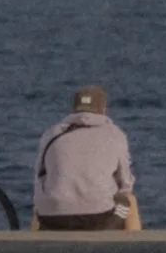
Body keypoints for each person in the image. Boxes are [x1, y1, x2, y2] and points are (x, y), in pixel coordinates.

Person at [32, 84, 142, 231]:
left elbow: (39, 178)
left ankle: (36, 248)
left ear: (74, 109)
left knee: (41, 204)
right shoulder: (115, 134)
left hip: (52, 218)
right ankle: (133, 249)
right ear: (104, 110)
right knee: (129, 201)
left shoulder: (51, 133)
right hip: (98, 219)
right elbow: (126, 185)